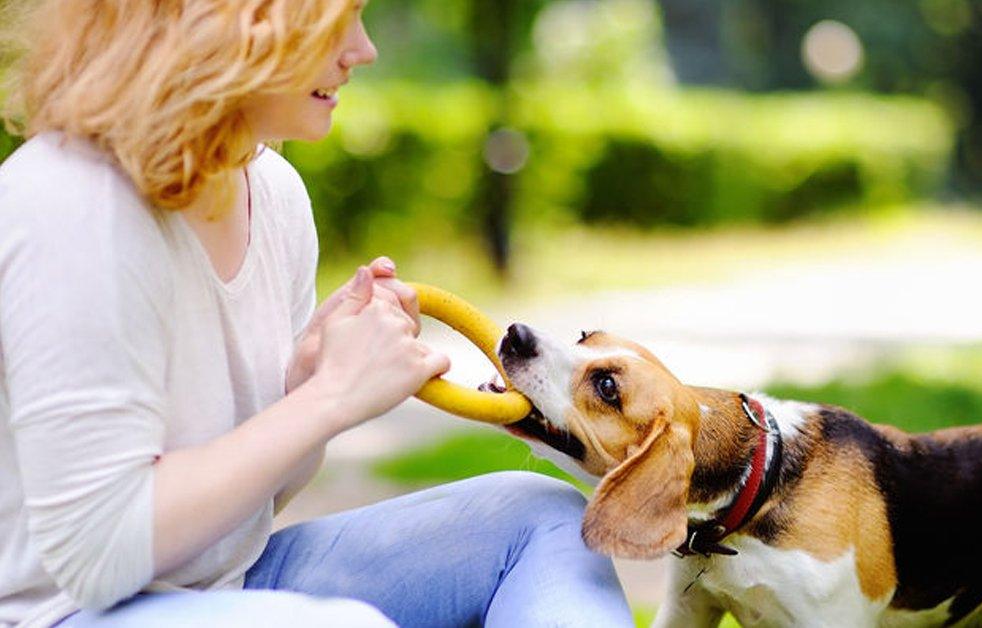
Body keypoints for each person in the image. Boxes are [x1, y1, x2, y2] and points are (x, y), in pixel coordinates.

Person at [0, 1, 632, 626]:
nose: (363, 49)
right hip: (61, 614)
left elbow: (251, 511)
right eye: (336, 19)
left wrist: (302, 384)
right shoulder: (73, 207)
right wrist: (325, 398)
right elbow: (98, 557)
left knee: (544, 520)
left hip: (224, 585)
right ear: (232, 22)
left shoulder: (271, 191)